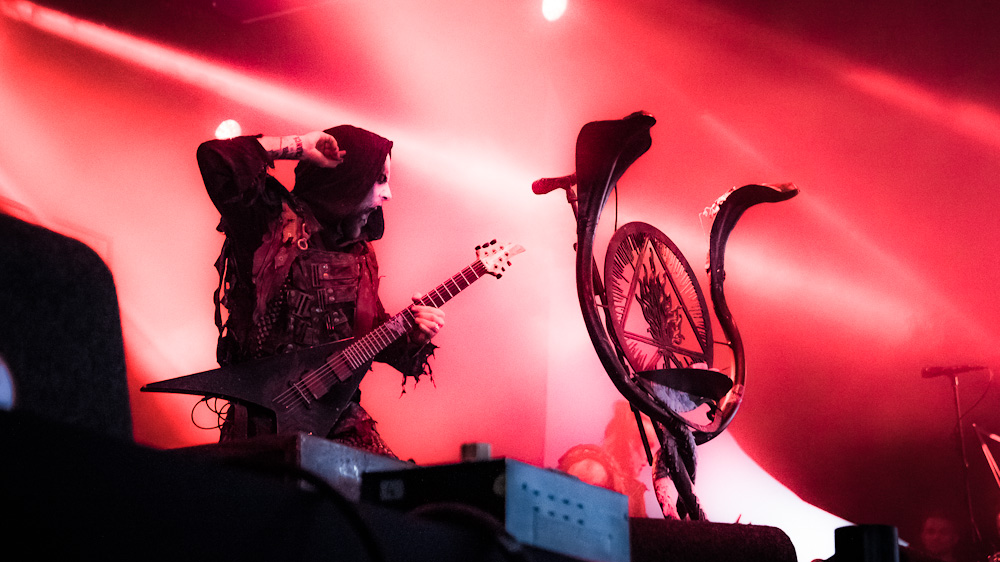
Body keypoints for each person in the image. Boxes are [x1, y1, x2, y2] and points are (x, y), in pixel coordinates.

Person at [196, 126, 444, 457]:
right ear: (348, 179)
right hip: (262, 426)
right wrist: (297, 146)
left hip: (336, 420)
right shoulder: (269, 221)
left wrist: (412, 337)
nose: (388, 194)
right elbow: (215, 158)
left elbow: (367, 339)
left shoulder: (360, 254)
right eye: (379, 179)